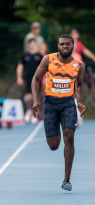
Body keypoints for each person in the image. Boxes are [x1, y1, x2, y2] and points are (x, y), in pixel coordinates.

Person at [31, 34, 85, 191]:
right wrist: (36, 101)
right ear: (58, 46)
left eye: (68, 44)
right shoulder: (48, 60)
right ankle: (57, 131)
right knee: (54, 145)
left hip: (68, 103)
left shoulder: (78, 65)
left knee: (69, 136)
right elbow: (35, 79)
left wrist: (79, 102)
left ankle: (66, 179)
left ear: (73, 46)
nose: (65, 46)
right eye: (62, 44)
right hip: (50, 104)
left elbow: (80, 85)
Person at [16, 38, 42, 124]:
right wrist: (19, 77)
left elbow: (46, 67)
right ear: (28, 45)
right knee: (28, 97)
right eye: (30, 43)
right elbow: (20, 67)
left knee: (36, 97)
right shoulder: (25, 56)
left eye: (34, 43)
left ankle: (35, 114)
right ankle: (28, 111)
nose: (32, 45)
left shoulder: (40, 56)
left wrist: (45, 77)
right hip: (28, 79)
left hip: (38, 79)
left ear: (36, 45)